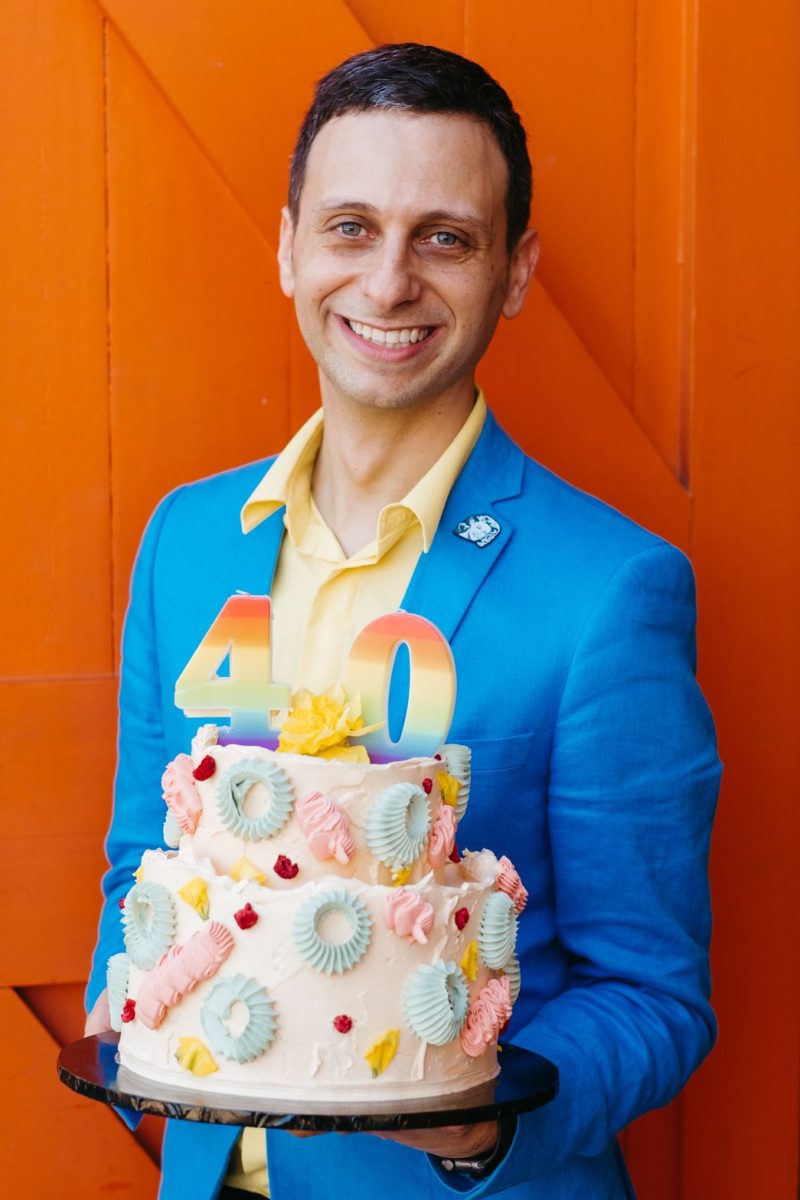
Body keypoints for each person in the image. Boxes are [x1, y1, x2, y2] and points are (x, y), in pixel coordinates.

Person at [85, 43, 721, 1200]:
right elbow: (145, 863)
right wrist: (131, 1009)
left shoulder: (612, 589)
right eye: (347, 228)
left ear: (513, 272)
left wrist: (477, 1128)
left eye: (443, 236)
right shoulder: (186, 542)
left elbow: (653, 996)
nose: (386, 283)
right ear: (286, 247)